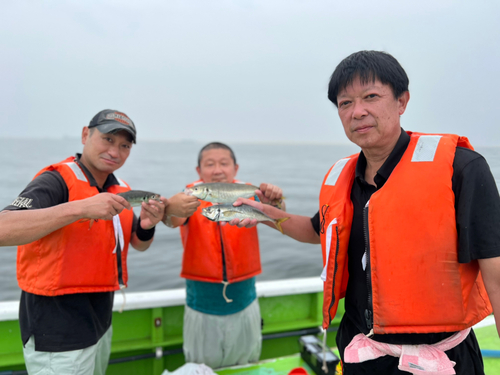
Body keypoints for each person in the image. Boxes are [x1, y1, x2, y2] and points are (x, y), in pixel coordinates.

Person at [227, 51, 500, 375]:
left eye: (371, 97)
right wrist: (267, 215)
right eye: (345, 103)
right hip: (363, 354)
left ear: (402, 101)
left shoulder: (461, 168)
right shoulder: (342, 176)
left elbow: (496, 276)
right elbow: (319, 231)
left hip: (443, 361)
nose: (358, 112)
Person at [0, 109, 196, 375]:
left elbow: (138, 244)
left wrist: (148, 226)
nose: (115, 151)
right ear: (85, 135)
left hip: (101, 319)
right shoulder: (55, 180)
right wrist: (80, 208)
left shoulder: (121, 188)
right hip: (56, 326)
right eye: (108, 139)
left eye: (124, 145)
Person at [162, 142, 283, 369]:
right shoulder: (189, 197)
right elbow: (172, 220)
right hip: (202, 303)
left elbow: (277, 213)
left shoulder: (250, 194)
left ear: (235, 168)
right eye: (210, 164)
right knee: (203, 367)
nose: (217, 169)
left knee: (246, 365)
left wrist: (277, 200)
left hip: (245, 299)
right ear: (199, 171)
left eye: (224, 163)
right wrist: (168, 208)